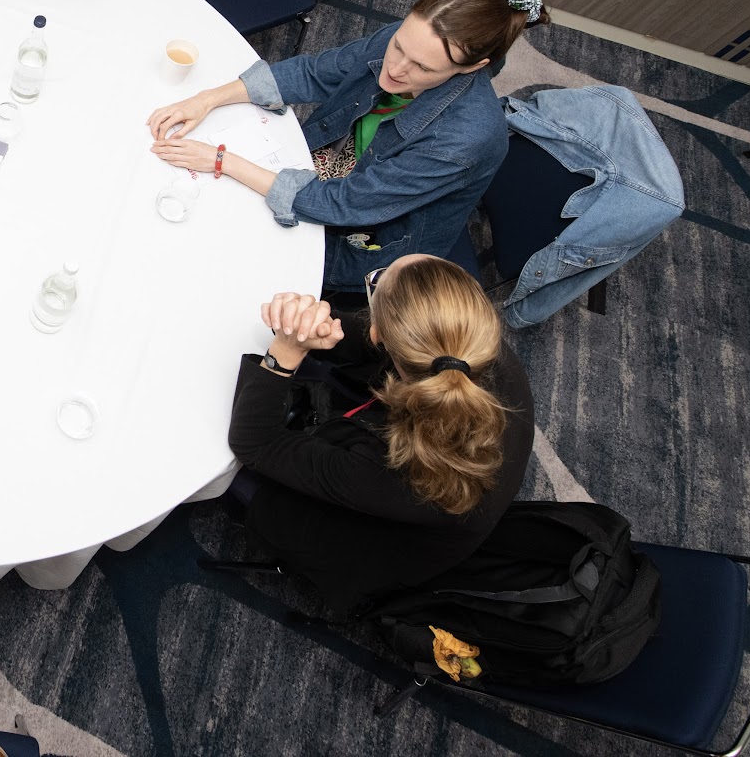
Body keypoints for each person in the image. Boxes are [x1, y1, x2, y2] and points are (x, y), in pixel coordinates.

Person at [150, 0, 549, 295]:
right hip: (338, 165)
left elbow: (346, 204)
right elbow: (315, 73)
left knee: (225, 259)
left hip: (372, 232)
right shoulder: (411, 40)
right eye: (397, 46)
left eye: (421, 67)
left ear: (474, 67)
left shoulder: (465, 138)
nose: (395, 68)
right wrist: (208, 98)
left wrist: (223, 160)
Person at [227, 255, 533, 614]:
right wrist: (325, 327)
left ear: (378, 332)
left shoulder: (397, 470)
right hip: (426, 506)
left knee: (220, 458)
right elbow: (399, 336)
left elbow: (253, 442)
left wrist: (285, 353)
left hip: (366, 548)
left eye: (378, 282)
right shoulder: (469, 343)